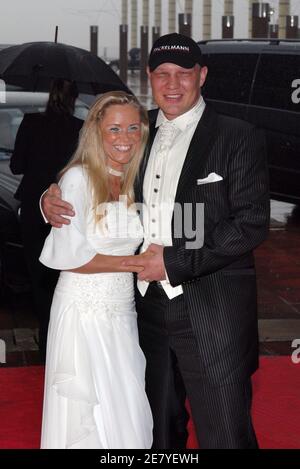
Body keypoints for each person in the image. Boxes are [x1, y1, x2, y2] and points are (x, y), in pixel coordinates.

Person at [41, 34, 270, 449]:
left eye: (184, 73)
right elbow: (88, 172)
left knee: (223, 432)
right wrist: (48, 198)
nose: (173, 84)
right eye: (162, 74)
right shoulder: (138, 130)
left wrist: (173, 262)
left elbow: (251, 222)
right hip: (140, 310)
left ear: (202, 75)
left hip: (211, 307)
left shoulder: (237, 135)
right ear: (149, 78)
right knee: (154, 432)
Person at [39, 91, 153, 449]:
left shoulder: (135, 177)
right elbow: (71, 256)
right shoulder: (78, 178)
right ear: (95, 132)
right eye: (114, 129)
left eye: (133, 128)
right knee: (90, 413)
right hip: (83, 310)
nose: (125, 138)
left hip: (122, 310)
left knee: (125, 402)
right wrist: (136, 264)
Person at [10, 78, 83, 361]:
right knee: (64, 270)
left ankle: (46, 336)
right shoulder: (79, 128)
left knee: (38, 274)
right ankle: (65, 337)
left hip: (32, 206)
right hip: (67, 206)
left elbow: (16, 165)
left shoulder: (30, 123)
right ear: (75, 98)